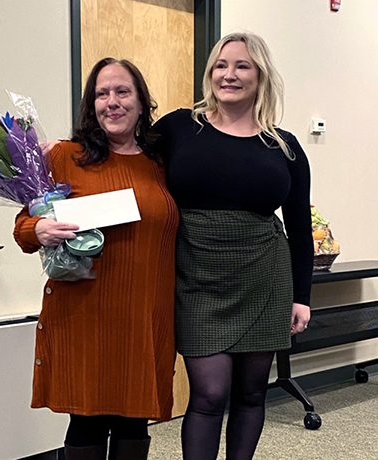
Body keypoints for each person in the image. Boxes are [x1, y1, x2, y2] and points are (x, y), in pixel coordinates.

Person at [154, 32, 314, 460]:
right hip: (196, 275)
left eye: (242, 66)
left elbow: (299, 227)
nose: (230, 74)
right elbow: (125, 158)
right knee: (208, 393)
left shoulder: (284, 146)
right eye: (221, 65)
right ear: (210, 73)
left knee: (250, 392)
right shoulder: (178, 127)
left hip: (265, 273)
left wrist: (302, 296)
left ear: (260, 75)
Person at [13, 58, 179, 460]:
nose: (112, 102)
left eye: (123, 92)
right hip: (84, 313)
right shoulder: (64, 157)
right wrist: (38, 229)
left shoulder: (162, 162)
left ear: (141, 102)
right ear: (92, 105)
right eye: (102, 94)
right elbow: (23, 227)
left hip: (145, 315)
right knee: (86, 419)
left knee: (135, 419)